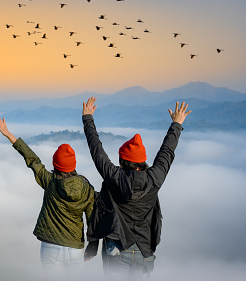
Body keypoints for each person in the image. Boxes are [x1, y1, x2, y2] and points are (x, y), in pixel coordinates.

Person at [81, 97, 191, 280]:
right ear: (143, 161)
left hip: (116, 246)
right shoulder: (155, 177)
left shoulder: (114, 177)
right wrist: (176, 125)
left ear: (122, 160)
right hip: (144, 248)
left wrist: (88, 119)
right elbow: (167, 152)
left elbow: (96, 150)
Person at [0, 115, 95, 273]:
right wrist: (93, 246)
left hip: (51, 246)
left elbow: (32, 159)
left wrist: (8, 134)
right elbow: (92, 218)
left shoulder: (50, 181)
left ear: (56, 164)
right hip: (75, 247)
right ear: (73, 165)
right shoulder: (87, 188)